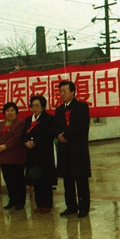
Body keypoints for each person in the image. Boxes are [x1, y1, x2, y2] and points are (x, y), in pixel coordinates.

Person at [54, 81, 91, 218]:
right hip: (64, 150)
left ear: (73, 92)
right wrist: (59, 135)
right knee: (67, 180)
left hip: (78, 149)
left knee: (81, 180)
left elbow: (81, 126)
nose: (62, 94)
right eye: (61, 91)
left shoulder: (82, 107)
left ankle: (83, 208)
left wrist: (66, 135)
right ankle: (71, 206)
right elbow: (56, 126)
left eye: (65, 91)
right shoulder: (59, 110)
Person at [22, 95, 57, 213]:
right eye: (33, 105)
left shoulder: (49, 119)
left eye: (37, 105)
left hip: (44, 153)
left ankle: (47, 204)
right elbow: (23, 134)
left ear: (43, 106)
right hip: (32, 154)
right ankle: (39, 204)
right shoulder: (28, 120)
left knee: (45, 180)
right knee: (35, 179)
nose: (35, 108)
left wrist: (35, 142)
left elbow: (49, 135)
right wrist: (25, 142)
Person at [0, 102, 27, 210]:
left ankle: (20, 202)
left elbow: (17, 138)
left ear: (16, 112)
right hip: (3, 157)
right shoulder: (0, 124)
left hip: (16, 157)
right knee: (8, 180)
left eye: (12, 110)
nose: (10, 113)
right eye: (7, 111)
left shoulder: (20, 123)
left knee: (18, 180)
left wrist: (5, 145)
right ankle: (12, 200)